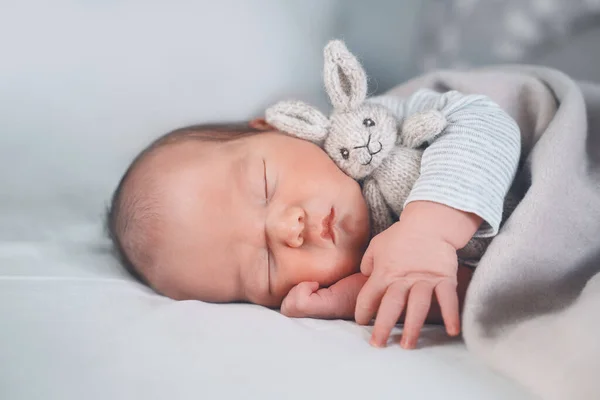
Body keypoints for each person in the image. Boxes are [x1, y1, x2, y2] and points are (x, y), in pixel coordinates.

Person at [107, 93, 519, 349]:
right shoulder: (348, 276)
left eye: (265, 187)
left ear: (277, 129)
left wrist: (429, 229)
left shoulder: (373, 130)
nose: (289, 229)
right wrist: (356, 298)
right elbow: (484, 293)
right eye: (265, 267)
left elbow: (485, 120)